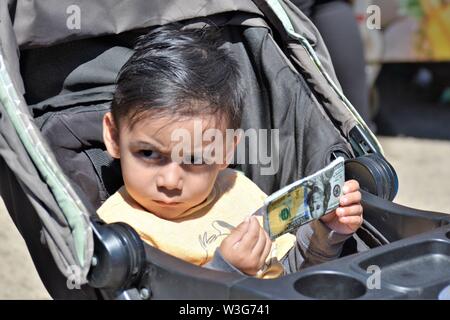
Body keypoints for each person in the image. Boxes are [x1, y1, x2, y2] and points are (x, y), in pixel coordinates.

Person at [97, 25, 363, 278]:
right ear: (114, 136)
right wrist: (225, 271)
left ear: (225, 151)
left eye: (194, 158)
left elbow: (287, 272)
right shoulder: (118, 230)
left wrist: (326, 232)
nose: (169, 182)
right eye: (148, 154)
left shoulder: (238, 192)